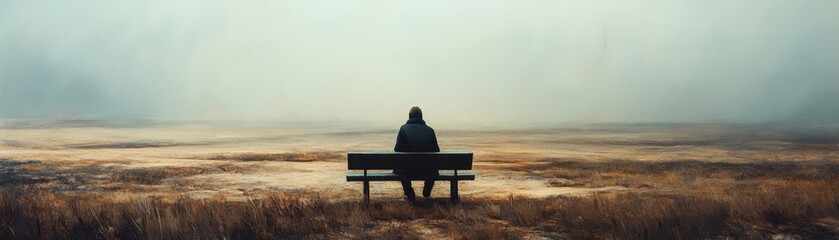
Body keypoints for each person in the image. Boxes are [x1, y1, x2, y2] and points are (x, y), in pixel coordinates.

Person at [394, 106, 440, 202]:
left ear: (409, 117)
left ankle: (409, 192)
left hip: (408, 171)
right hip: (427, 171)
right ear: (421, 117)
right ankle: (427, 190)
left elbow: (397, 150)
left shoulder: (403, 129)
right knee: (433, 166)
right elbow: (436, 151)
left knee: (400, 165)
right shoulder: (430, 130)